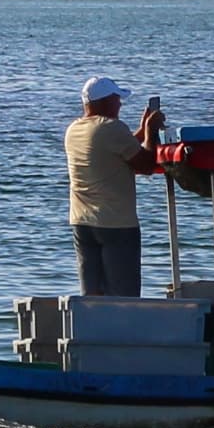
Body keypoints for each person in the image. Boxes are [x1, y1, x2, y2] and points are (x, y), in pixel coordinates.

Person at [64, 75, 166, 297]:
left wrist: (141, 131)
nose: (120, 104)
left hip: (82, 224)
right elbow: (146, 165)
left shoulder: (74, 130)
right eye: (117, 99)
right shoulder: (112, 128)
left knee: (92, 297)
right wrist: (151, 131)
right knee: (124, 297)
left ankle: (93, 321)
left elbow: (115, 148)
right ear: (106, 101)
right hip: (116, 224)